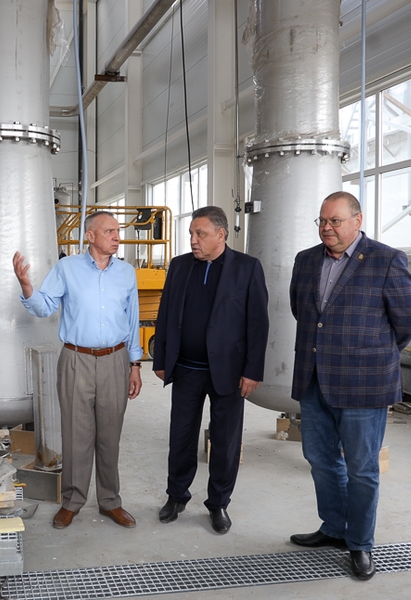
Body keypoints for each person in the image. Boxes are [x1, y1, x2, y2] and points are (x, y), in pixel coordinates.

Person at [288, 191, 411, 580]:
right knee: (320, 460)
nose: (327, 228)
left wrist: (367, 355)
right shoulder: (306, 260)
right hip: (314, 380)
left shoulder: (387, 260)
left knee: (361, 469)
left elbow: (405, 323)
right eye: (322, 221)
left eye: (335, 221)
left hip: (364, 385)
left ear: (357, 221)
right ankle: (333, 528)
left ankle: (359, 543)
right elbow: (302, 312)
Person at [13, 211, 143, 529]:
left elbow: (132, 321)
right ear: (90, 236)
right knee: (76, 435)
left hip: (115, 359)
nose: (117, 236)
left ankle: (110, 501)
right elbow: (44, 306)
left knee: (110, 436)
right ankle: (72, 501)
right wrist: (27, 286)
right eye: (109, 231)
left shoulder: (126, 273)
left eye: (117, 231)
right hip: (76, 360)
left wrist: (135, 364)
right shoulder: (67, 268)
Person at [152, 206, 269, 534]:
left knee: (225, 441)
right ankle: (176, 496)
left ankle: (218, 503)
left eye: (200, 234)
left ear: (221, 234)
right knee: (181, 437)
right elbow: (165, 314)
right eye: (191, 233)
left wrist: (252, 371)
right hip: (186, 370)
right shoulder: (180, 266)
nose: (193, 240)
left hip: (229, 373)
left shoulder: (247, 268)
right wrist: (161, 360)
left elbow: (258, 323)